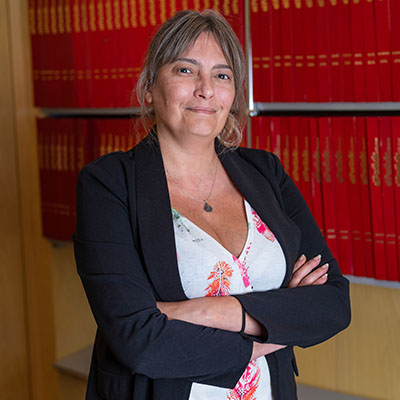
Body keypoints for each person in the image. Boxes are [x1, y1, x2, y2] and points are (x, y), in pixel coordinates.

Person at [74, 9, 351, 400]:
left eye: (222, 75)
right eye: (186, 70)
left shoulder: (265, 171)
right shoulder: (107, 184)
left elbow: (333, 303)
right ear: (149, 88)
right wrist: (279, 323)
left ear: (233, 95)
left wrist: (203, 311)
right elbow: (139, 340)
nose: (205, 89)